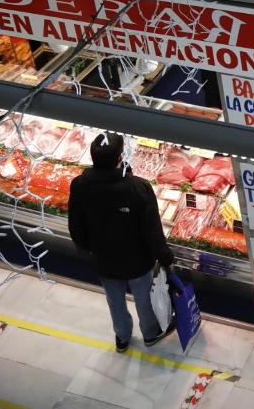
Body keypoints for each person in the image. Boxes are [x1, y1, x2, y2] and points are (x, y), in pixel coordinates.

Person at [68, 132, 175, 352]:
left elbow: (75, 224)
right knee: (143, 299)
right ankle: (150, 333)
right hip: (137, 259)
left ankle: (122, 336)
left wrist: (88, 250)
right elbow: (152, 231)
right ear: (119, 158)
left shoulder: (79, 185)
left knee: (114, 299)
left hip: (104, 259)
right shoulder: (137, 188)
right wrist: (166, 258)